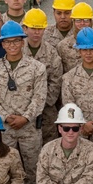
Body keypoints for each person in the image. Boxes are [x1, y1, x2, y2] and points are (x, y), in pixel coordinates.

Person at [0, 21, 48, 184]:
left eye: (16, 41)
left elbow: (40, 97)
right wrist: (6, 117)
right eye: (8, 42)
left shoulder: (37, 68)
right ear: (2, 44)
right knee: (5, 166)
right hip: (5, 128)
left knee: (33, 165)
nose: (12, 45)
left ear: (22, 42)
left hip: (29, 128)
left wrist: (25, 117)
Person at [20, 8, 64, 142]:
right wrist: (27, 106)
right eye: (33, 28)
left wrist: (38, 104)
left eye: (40, 29)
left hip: (46, 112)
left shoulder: (51, 53)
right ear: (25, 28)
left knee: (48, 146)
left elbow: (55, 82)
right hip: (21, 110)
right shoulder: (17, 51)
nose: (37, 32)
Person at [58, 2, 93, 72]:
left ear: (91, 22)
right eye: (78, 20)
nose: (82, 23)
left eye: (86, 20)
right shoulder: (63, 46)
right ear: (73, 22)